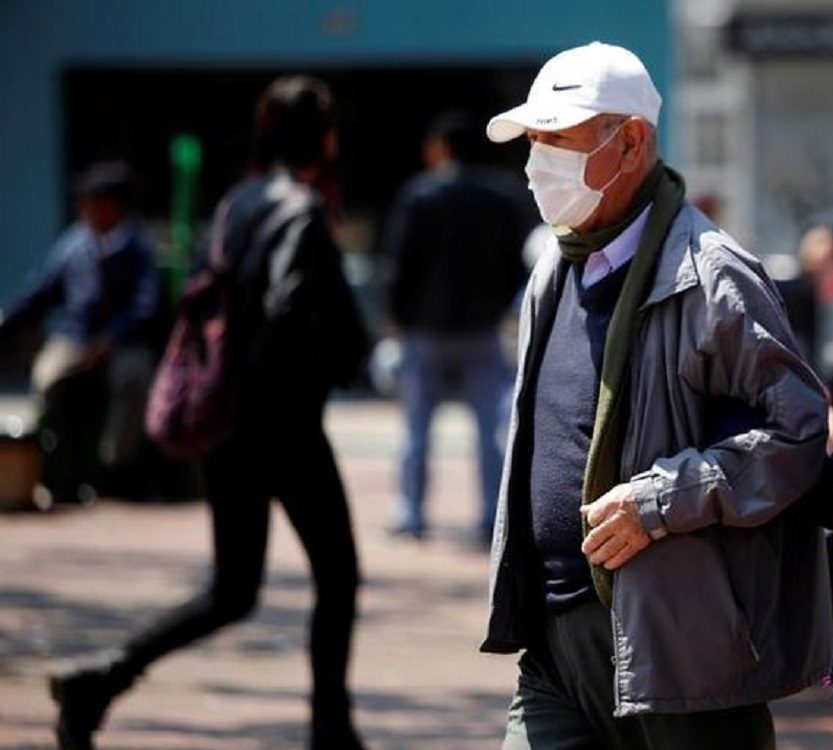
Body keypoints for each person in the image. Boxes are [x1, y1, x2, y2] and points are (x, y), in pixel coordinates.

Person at [481, 42, 833, 749]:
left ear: (631, 140)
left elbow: (795, 435)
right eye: (534, 141)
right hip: (553, 644)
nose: (537, 161)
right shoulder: (557, 262)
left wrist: (659, 500)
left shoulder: (715, 276)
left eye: (559, 139)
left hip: (681, 651)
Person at [47, 76, 372, 750]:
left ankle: (102, 678)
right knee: (336, 578)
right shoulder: (303, 210)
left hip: (225, 423)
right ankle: (331, 732)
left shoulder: (235, 205)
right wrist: (334, 353)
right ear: (325, 138)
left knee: (232, 591)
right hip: (284, 426)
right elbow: (287, 310)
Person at [382, 111, 534, 542]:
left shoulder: (420, 195)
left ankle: (411, 512)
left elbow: (400, 264)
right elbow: (517, 261)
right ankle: (492, 515)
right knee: (490, 431)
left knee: (415, 428)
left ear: (439, 149)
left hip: (425, 331)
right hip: (482, 330)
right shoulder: (500, 197)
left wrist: (397, 316)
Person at [0, 161, 159, 501]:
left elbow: (147, 306)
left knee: (132, 379)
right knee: (48, 376)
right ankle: (57, 473)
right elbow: (41, 293)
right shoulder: (74, 245)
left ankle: (113, 470)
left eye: (92, 201)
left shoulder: (137, 247)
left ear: (112, 205)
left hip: (122, 344)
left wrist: (112, 339)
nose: (85, 209)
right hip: (75, 338)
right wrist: (6, 321)